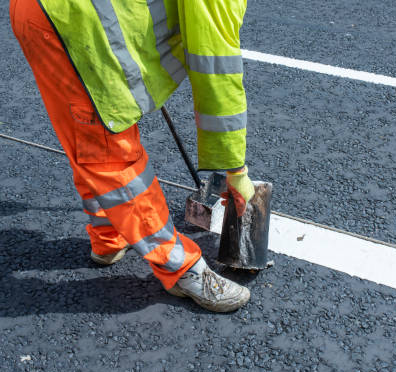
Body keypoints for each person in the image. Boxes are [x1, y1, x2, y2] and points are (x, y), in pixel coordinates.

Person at [9, 0, 254, 312]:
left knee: (90, 133)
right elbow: (216, 71)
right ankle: (180, 268)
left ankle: (109, 238)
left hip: (52, 14)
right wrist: (236, 171)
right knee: (108, 150)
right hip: (73, 23)